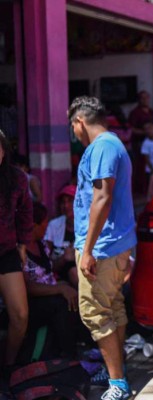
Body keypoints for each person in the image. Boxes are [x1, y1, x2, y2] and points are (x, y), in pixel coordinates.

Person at [68, 96, 137, 400]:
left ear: (79, 121)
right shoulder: (112, 144)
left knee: (95, 312)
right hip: (114, 245)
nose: (74, 134)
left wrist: (87, 250)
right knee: (113, 308)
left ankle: (118, 383)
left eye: (73, 127)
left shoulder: (103, 147)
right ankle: (116, 372)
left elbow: (102, 198)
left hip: (103, 247)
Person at [23, 202, 79, 360]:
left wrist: (64, 258)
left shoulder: (40, 244)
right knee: (62, 304)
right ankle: (70, 357)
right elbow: (26, 287)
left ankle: (82, 345)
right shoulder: (19, 251)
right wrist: (60, 289)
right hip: (31, 302)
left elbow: (50, 267)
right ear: (34, 225)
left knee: (74, 296)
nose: (47, 226)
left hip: (49, 293)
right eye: (45, 222)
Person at [0, 129, 31, 373]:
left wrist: (23, 243)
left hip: (7, 252)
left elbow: (25, 213)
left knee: (20, 315)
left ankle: (8, 367)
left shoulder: (17, 178)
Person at [44, 184, 78, 287]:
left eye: (70, 201)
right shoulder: (54, 225)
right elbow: (46, 263)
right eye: (63, 202)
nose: (66, 205)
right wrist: (64, 258)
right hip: (59, 276)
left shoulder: (89, 225)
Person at [128, 90, 153, 194]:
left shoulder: (152, 112)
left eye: (146, 97)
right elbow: (131, 128)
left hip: (152, 142)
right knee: (139, 166)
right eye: (142, 98)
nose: (144, 100)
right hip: (139, 142)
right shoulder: (135, 113)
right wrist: (145, 132)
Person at [140, 122, 153, 186]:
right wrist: (152, 169)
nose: (148, 131)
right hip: (151, 170)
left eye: (149, 128)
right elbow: (146, 158)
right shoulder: (146, 143)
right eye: (146, 129)